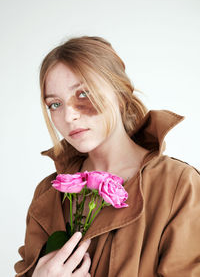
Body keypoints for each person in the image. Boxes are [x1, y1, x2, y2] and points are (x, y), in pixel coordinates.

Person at [14, 36, 200, 277]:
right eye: (55, 104)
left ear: (120, 94)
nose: (69, 116)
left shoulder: (178, 185)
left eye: (83, 93)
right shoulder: (48, 195)